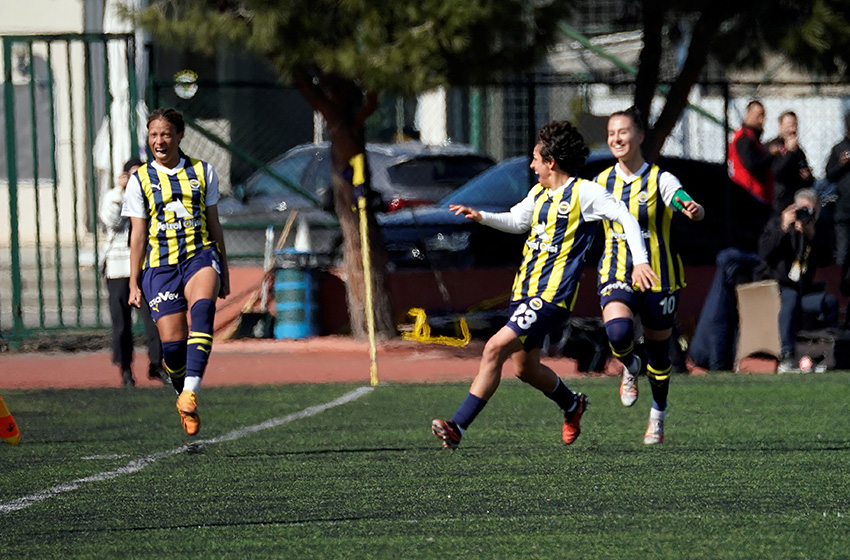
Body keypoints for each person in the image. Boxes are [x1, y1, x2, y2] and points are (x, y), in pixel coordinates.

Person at [430, 120, 657, 450]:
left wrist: (640, 261)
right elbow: (518, 220)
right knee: (526, 369)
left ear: (551, 162)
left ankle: (458, 427)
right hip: (524, 293)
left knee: (494, 347)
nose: (532, 165)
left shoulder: (585, 193)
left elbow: (626, 218)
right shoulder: (539, 193)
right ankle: (572, 404)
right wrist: (482, 216)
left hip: (551, 297)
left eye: (536, 159)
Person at [595, 107, 705, 445]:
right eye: (612, 133)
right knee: (618, 331)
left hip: (660, 275)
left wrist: (691, 206)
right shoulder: (600, 182)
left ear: (640, 136)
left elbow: (678, 196)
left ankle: (657, 415)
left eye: (623, 132)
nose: (616, 138)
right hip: (617, 270)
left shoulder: (660, 178)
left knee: (660, 355)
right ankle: (630, 364)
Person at [123, 107, 230, 436]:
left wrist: (222, 267)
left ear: (180, 136)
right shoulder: (140, 179)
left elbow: (213, 223)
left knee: (202, 313)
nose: (159, 140)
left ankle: (191, 393)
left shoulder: (202, 172)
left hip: (199, 256)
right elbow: (138, 234)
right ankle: (183, 394)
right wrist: (133, 281)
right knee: (172, 346)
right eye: (154, 135)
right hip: (160, 267)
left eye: (166, 134)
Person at [99, 158, 166, 388]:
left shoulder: (152, 196)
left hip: (146, 266)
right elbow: (113, 221)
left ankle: (157, 364)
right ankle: (125, 369)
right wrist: (123, 193)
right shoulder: (113, 197)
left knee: (154, 318)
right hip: (118, 268)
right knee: (121, 322)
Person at [758, 189, 837, 373]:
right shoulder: (778, 223)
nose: (805, 215)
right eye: (802, 210)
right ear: (793, 208)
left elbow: (826, 259)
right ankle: (787, 354)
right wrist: (784, 229)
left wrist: (811, 236)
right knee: (791, 297)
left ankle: (828, 352)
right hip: (778, 285)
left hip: (804, 289)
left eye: (811, 211)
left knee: (829, 302)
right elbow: (764, 253)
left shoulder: (816, 229)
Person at [728, 100, 781, 205]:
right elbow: (752, 164)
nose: (762, 121)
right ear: (748, 115)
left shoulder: (750, 137)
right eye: (759, 116)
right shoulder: (745, 139)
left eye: (763, 116)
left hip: (751, 193)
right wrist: (771, 155)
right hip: (749, 193)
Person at [769, 111, 814, 213]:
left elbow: (808, 177)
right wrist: (789, 153)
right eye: (789, 126)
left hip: (796, 200)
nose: (793, 129)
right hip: (779, 201)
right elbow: (776, 173)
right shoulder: (773, 147)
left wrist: (807, 177)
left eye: (795, 126)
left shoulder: (798, 151)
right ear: (781, 127)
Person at [826, 111, 850, 268]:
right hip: (843, 210)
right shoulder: (838, 149)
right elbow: (829, 175)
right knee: (843, 251)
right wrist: (841, 164)